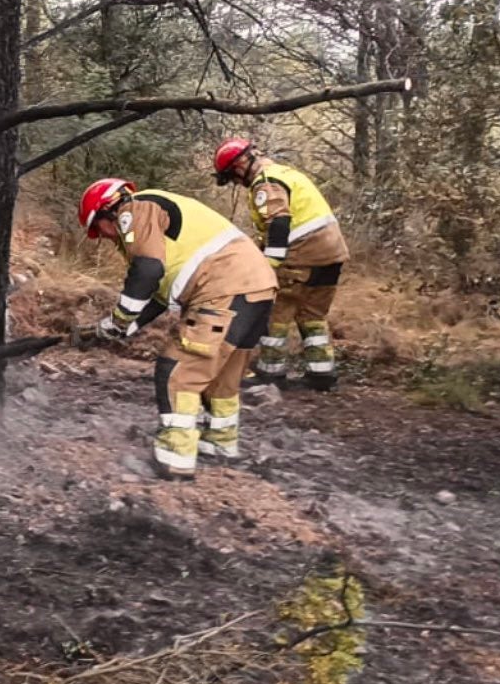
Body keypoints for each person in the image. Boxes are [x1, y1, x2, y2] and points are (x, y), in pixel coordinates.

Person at [80, 178, 277, 478]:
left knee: (177, 371)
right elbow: (158, 295)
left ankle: (175, 457)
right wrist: (122, 330)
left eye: (99, 229)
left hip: (222, 287)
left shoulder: (136, 209)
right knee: (221, 377)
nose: (105, 237)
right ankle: (220, 444)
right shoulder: (158, 222)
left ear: (108, 210)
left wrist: (118, 320)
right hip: (256, 288)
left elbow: (147, 272)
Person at [212, 138, 349, 390]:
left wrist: (268, 266)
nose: (236, 183)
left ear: (240, 166)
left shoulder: (265, 182)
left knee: (274, 311)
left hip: (302, 255)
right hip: (331, 255)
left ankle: (270, 372)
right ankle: (322, 375)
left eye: (232, 177)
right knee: (312, 314)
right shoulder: (286, 173)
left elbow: (279, 222)